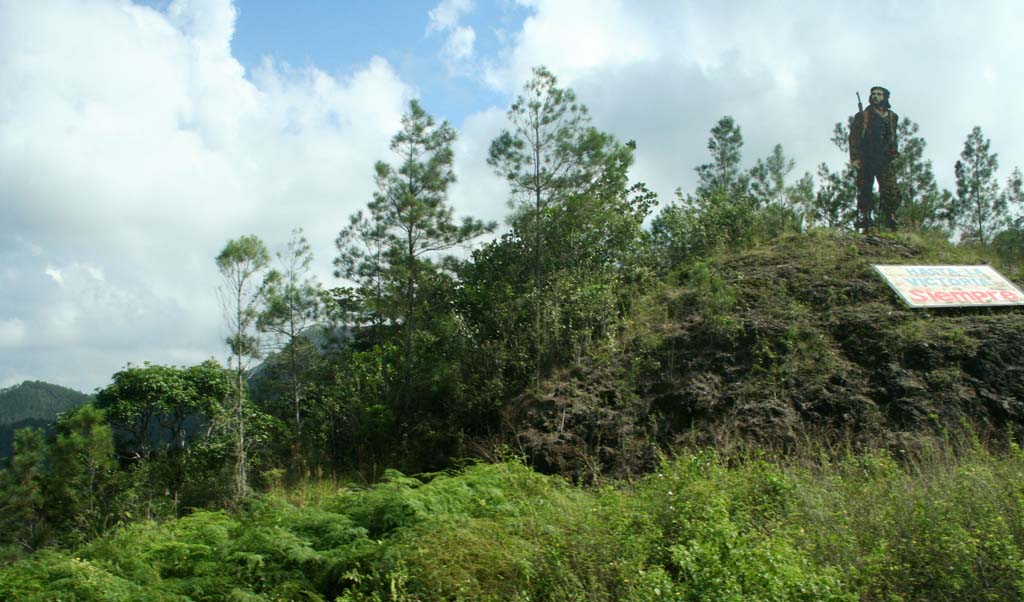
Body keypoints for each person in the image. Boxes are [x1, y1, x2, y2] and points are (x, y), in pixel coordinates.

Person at [849, 86, 901, 232]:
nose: (875, 96)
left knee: (890, 189)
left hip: (885, 159)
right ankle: (866, 219)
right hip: (867, 158)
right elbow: (854, 139)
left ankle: (890, 218)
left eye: (879, 94)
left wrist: (894, 152)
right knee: (865, 189)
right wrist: (855, 158)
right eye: (873, 94)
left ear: (885, 97)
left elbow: (893, 136)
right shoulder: (863, 116)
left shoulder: (892, 117)